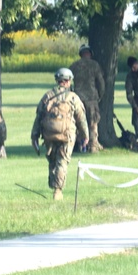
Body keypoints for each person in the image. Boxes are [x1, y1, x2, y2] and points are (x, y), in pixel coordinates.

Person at [30, 67, 89, 200]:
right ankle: (57, 190)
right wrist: (85, 135)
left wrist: (34, 135)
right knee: (62, 161)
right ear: (69, 81)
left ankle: (54, 185)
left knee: (52, 161)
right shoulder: (73, 97)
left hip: (49, 134)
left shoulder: (47, 96)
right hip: (67, 135)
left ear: (57, 80)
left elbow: (39, 116)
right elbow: (81, 118)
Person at [69, 43, 105, 152]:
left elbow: (68, 83)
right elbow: (101, 82)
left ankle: (80, 146)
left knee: (79, 123)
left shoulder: (74, 66)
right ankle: (93, 146)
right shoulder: (95, 65)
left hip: (77, 98)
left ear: (81, 54)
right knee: (93, 123)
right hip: (92, 99)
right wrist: (100, 95)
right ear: (90, 53)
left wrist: (71, 95)